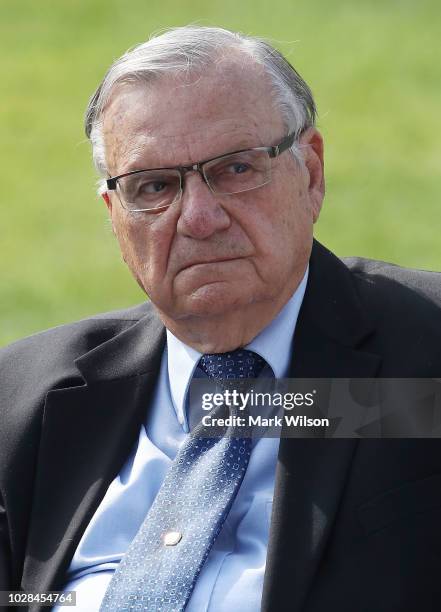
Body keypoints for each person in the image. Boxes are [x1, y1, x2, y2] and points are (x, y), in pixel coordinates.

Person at [1, 25, 441, 612]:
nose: (199, 219)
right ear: (116, 217)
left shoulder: (423, 359)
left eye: (235, 169)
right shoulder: (22, 399)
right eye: (153, 186)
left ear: (309, 172)